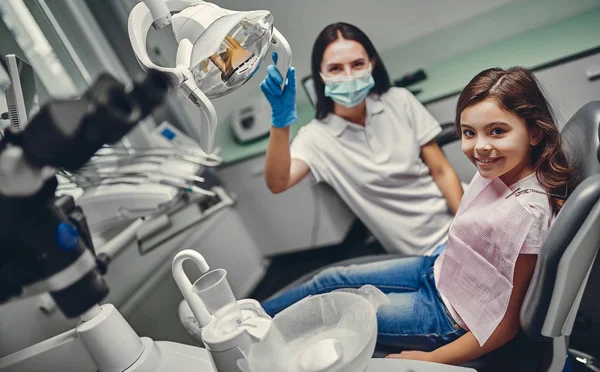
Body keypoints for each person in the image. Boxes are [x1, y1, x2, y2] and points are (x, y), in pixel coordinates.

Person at [261, 66, 577, 364]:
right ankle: (252, 315)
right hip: (438, 268)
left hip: (444, 314)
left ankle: (252, 338)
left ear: (535, 133)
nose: (480, 147)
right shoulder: (501, 169)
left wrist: (430, 359)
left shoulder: (526, 214)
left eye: (497, 131)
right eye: (469, 132)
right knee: (330, 279)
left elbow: (506, 326)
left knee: (335, 311)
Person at [260, 22, 463, 255]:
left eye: (357, 64)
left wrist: (465, 227)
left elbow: (441, 170)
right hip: (425, 250)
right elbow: (278, 182)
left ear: (371, 65)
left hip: (460, 215)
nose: (349, 77)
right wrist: (280, 122)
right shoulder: (316, 138)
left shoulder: (399, 100)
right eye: (335, 68)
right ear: (321, 75)